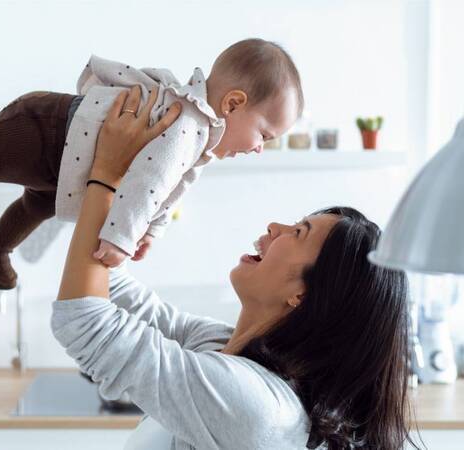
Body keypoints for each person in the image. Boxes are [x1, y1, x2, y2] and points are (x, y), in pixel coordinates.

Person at [51, 87, 422, 449]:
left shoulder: (255, 407)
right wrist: (126, 209)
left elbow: (86, 322)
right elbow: (118, 293)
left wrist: (106, 175)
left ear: (304, 293)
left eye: (297, 233)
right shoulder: (227, 348)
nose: (274, 227)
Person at [0, 38, 302, 290]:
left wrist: (149, 230)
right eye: (264, 134)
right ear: (232, 103)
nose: (259, 148)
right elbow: (149, 181)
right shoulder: (185, 124)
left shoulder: (201, 139)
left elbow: (171, 191)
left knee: (40, 205)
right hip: (44, 129)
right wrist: (121, 238)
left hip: (63, 163)